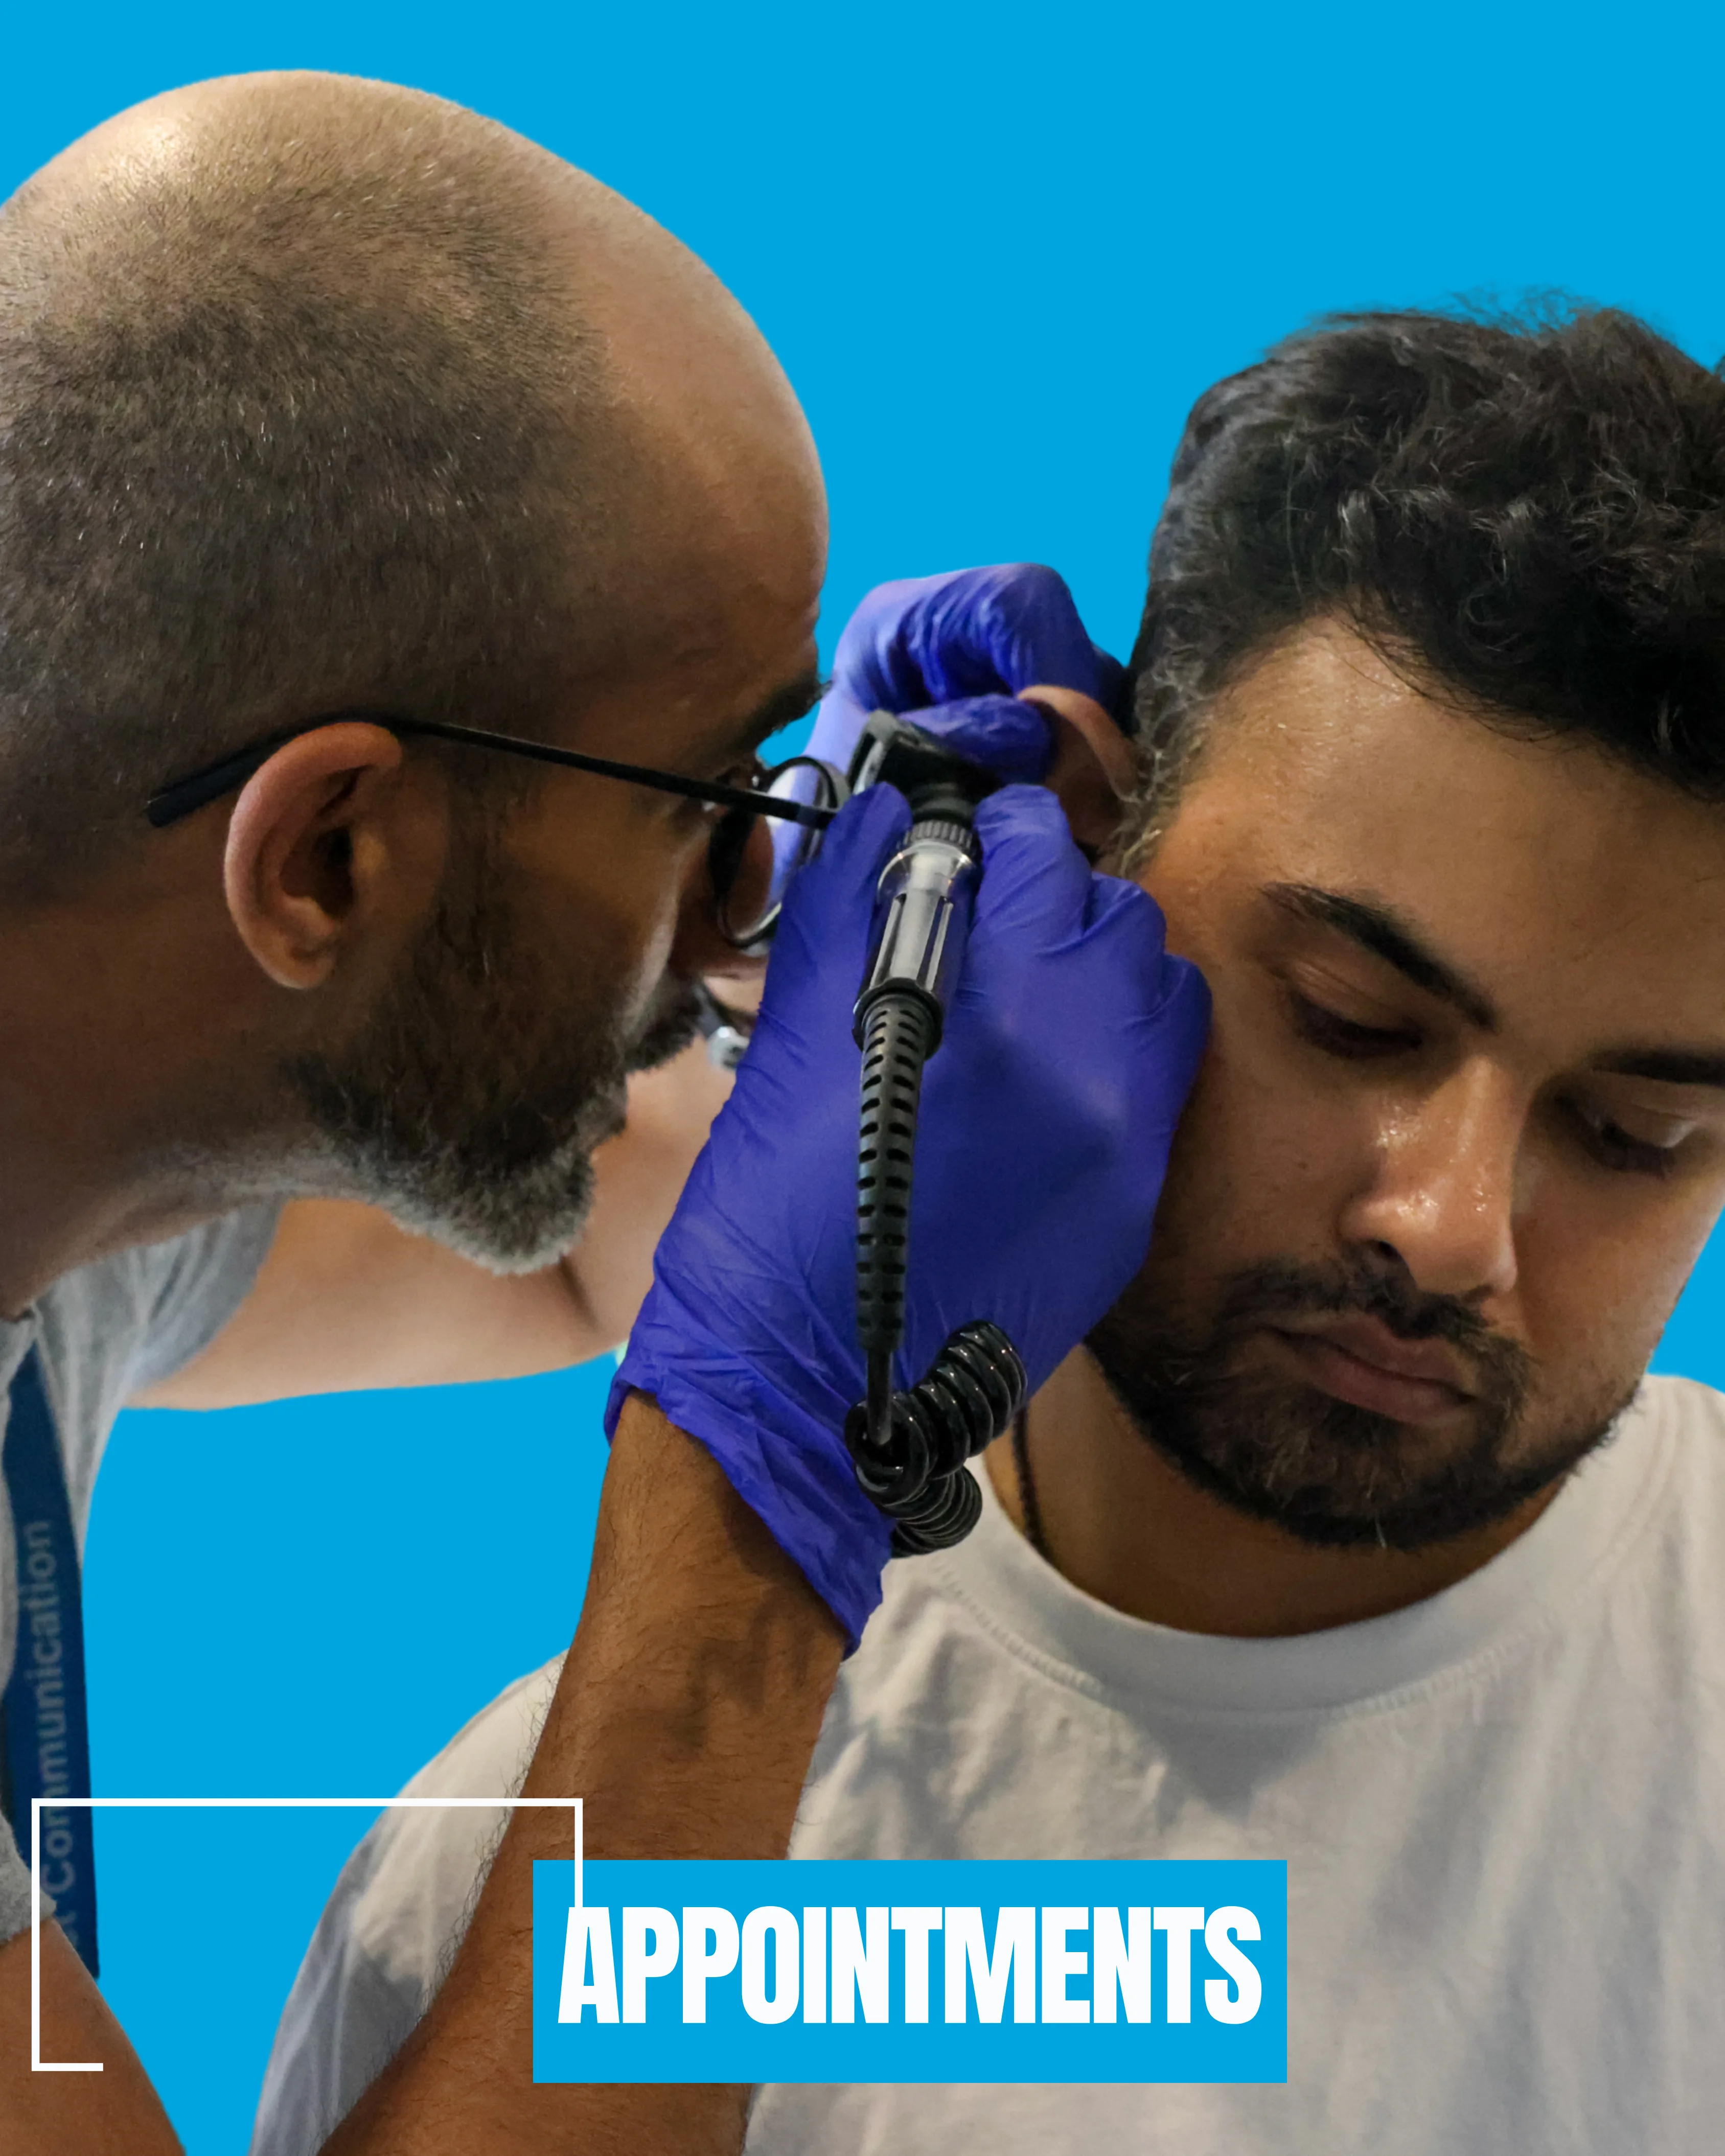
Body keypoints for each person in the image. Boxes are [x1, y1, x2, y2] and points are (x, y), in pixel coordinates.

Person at [255, 303, 1725, 2156]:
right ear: (1080, 847)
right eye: (1351, 1020)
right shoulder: (523, 1923)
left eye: (1636, 1130)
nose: (1447, 1230)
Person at [0, 67, 1204, 2153]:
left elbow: (580, 1230)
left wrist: (825, 962)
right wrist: (758, 1491)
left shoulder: (78, 1112)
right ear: (330, 861)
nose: (769, 865)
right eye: (709, 799)